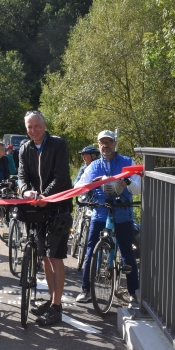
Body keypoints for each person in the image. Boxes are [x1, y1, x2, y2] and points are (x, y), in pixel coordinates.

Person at [74, 130, 141, 308]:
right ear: (98, 144)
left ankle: (133, 292)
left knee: (127, 252)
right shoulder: (94, 165)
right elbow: (78, 186)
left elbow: (138, 189)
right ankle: (86, 289)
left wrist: (128, 182)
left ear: (115, 143)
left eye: (109, 142)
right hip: (100, 212)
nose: (106, 146)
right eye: (102, 142)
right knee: (90, 250)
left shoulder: (127, 162)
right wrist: (90, 184)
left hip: (122, 212)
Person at [18, 110, 73, 327]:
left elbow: (62, 177)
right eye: (29, 127)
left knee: (55, 257)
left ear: (44, 124)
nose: (33, 131)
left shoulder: (58, 144)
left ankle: (57, 307)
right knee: (44, 257)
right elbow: (22, 176)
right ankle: (52, 300)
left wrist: (45, 196)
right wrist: (25, 192)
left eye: (36, 126)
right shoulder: (24, 148)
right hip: (36, 208)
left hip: (58, 207)